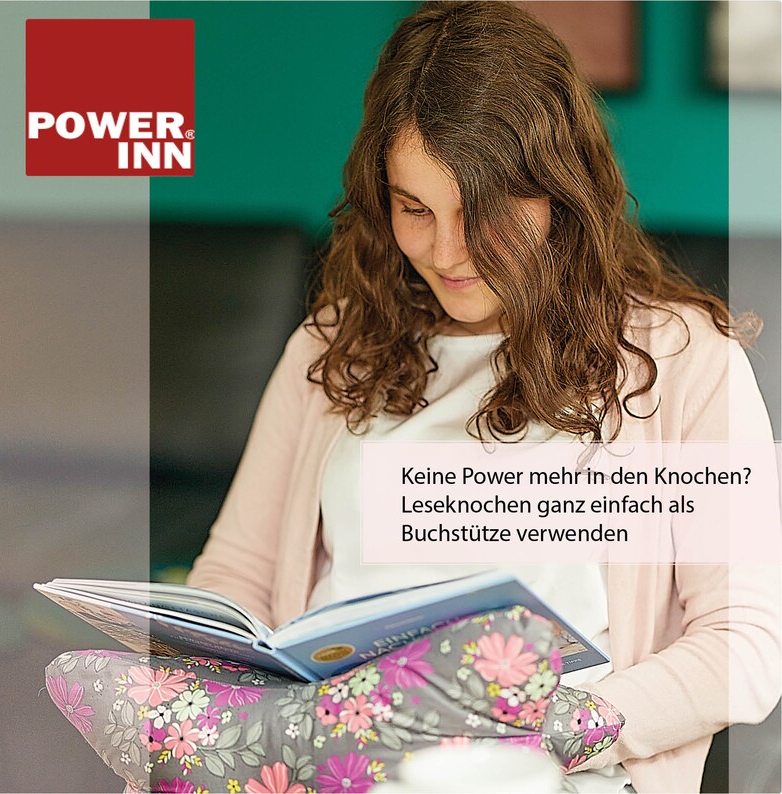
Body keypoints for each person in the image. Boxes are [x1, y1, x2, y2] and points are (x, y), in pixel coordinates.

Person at [187, 3, 781, 792]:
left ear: (558, 193)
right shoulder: (331, 348)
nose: (446, 251)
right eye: (415, 209)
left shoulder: (681, 362)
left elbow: (744, 644)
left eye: (484, 212)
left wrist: (553, 727)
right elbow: (237, 576)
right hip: (329, 759)